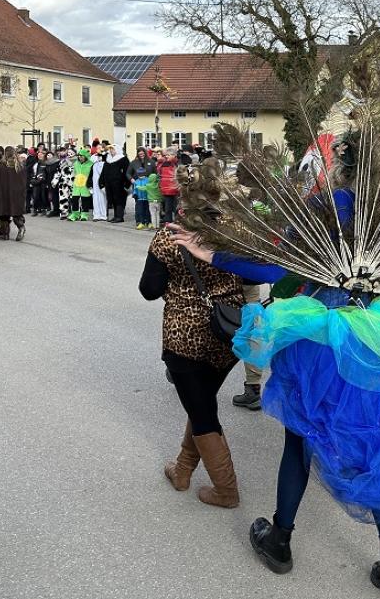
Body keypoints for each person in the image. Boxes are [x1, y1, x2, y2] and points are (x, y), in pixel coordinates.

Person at [170, 131, 380, 590]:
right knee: (374, 439)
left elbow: (275, 268)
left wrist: (210, 250)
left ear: (341, 165)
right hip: (377, 336)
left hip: (320, 337)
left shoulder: (329, 206)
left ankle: (280, 538)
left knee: (298, 440)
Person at [138, 168, 245, 509]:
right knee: (201, 402)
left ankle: (226, 491)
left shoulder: (170, 236)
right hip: (227, 333)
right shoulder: (235, 231)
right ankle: (182, 470)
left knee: (201, 411)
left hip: (184, 337)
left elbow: (149, 290)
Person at [0, 146, 27, 242]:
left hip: (3, 193)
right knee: (16, 213)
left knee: (4, 214)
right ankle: (21, 227)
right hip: (17, 194)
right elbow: (24, 181)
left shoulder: (0, 166)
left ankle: (5, 234)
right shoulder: (20, 166)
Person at [100, 145, 130, 223]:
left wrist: (127, 184)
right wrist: (102, 182)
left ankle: (120, 217)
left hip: (120, 184)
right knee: (113, 200)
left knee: (119, 200)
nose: (111, 151)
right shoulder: (108, 159)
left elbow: (127, 172)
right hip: (109, 184)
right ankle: (115, 216)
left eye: (113, 149)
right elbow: (104, 171)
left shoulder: (123, 159)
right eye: (110, 149)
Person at [157, 148, 180, 225]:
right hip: (166, 189)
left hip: (176, 189)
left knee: (176, 207)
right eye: (166, 155)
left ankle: (177, 222)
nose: (166, 156)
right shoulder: (164, 164)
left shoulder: (177, 164)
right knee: (168, 208)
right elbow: (160, 175)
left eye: (168, 155)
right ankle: (168, 222)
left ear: (174, 155)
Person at [69, 148, 93, 221]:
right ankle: (75, 214)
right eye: (79, 156)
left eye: (82, 156)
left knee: (85, 200)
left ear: (86, 156)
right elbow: (73, 173)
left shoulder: (91, 164)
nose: (80, 157)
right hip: (76, 184)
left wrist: (90, 184)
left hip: (85, 184)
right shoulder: (76, 163)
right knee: (75, 199)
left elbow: (92, 175)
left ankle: (84, 214)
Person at [91, 147, 108, 221]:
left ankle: (103, 215)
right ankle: (96, 215)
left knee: (103, 199)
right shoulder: (94, 165)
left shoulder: (105, 164)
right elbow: (90, 175)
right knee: (95, 199)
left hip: (102, 185)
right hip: (95, 185)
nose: (99, 157)